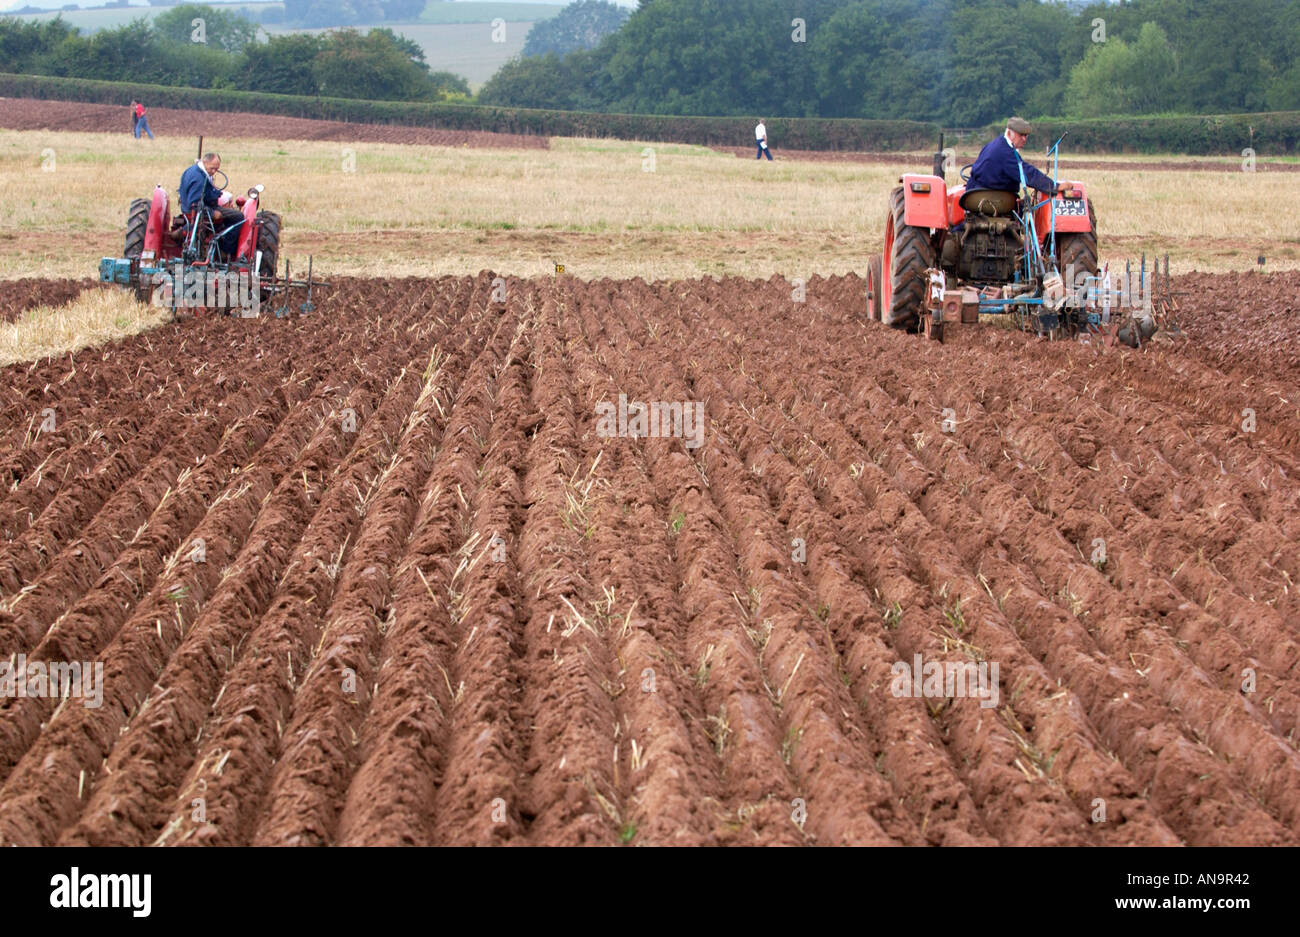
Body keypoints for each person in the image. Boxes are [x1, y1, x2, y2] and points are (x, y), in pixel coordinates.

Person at [966, 117, 1066, 200]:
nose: (1024, 139)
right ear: (1009, 133)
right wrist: (1053, 186)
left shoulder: (994, 145)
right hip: (991, 199)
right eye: (1021, 135)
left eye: (1026, 135)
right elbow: (1026, 173)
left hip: (976, 194)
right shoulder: (1004, 152)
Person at [180, 152, 243, 257]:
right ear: (204, 162)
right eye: (212, 168)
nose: (214, 172)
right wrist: (212, 212)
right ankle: (225, 251)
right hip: (199, 211)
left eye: (216, 169)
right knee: (238, 217)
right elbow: (195, 204)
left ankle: (182, 231)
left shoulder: (193, 170)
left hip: (190, 208)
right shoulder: (199, 179)